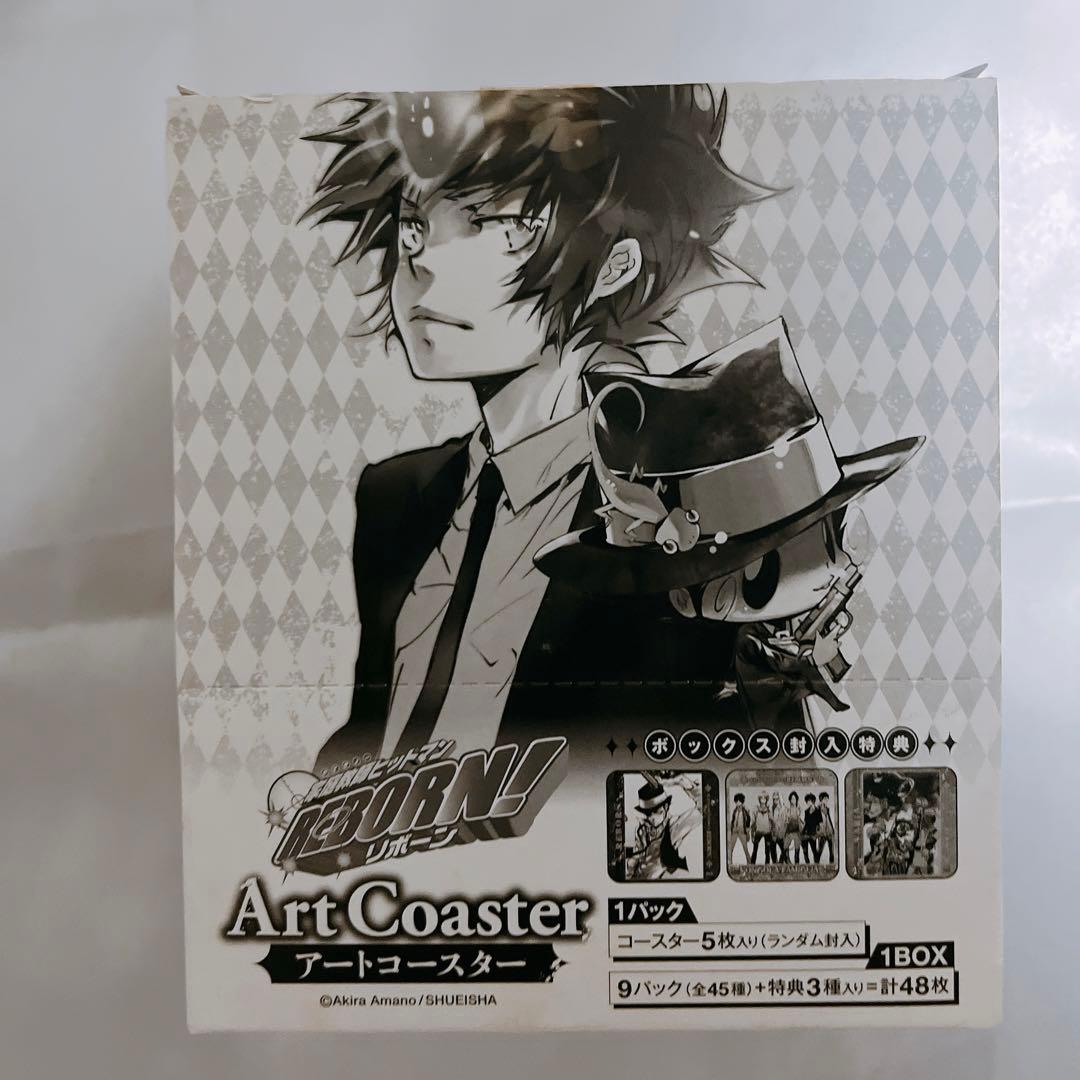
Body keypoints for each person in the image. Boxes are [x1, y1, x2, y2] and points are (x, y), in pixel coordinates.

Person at [301, 85, 850, 773]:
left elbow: (748, 764)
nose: (426, 262)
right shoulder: (394, 500)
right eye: (414, 225)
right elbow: (366, 739)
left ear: (614, 267)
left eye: (501, 226)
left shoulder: (685, 505)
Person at [751, 792, 774, 865]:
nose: (763, 799)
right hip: (758, 831)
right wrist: (752, 833)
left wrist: (772, 832)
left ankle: (767, 865)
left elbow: (772, 821)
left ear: (766, 799)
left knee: (767, 851)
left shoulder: (769, 809)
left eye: (764, 798)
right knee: (755, 850)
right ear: (759, 799)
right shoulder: (756, 809)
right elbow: (753, 821)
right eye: (761, 798)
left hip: (767, 832)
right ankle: (752, 865)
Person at [729, 792, 752, 865]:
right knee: (730, 848)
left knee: (745, 848)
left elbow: (748, 820)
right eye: (736, 801)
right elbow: (733, 820)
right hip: (735, 831)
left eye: (739, 801)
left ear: (742, 801)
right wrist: (731, 829)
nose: (737, 803)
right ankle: (730, 863)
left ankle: (749, 863)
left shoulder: (745, 810)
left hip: (742, 830)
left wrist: (747, 831)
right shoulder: (735, 810)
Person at [782, 790, 803, 865]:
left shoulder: (799, 809)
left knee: (797, 850)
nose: (793, 800)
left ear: (796, 799)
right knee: (785, 848)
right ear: (790, 800)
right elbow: (785, 821)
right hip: (789, 832)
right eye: (792, 799)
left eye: (794, 798)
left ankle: (797, 866)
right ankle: (788, 863)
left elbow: (801, 820)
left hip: (797, 832)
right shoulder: (787, 809)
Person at [801, 792, 822, 864]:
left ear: (813, 801)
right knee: (805, 852)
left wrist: (817, 834)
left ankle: (816, 864)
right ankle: (807, 865)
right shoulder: (806, 811)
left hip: (813, 834)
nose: (807, 802)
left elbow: (820, 823)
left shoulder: (818, 810)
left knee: (814, 851)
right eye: (807, 801)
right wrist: (802, 833)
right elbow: (805, 823)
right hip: (805, 834)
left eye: (809, 801)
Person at [817, 790, 835, 864]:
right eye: (825, 799)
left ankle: (832, 865)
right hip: (822, 833)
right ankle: (816, 864)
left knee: (832, 851)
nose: (826, 800)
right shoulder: (817, 808)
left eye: (827, 799)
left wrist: (832, 829)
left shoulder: (827, 809)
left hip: (829, 832)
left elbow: (829, 819)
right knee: (819, 851)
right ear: (821, 799)